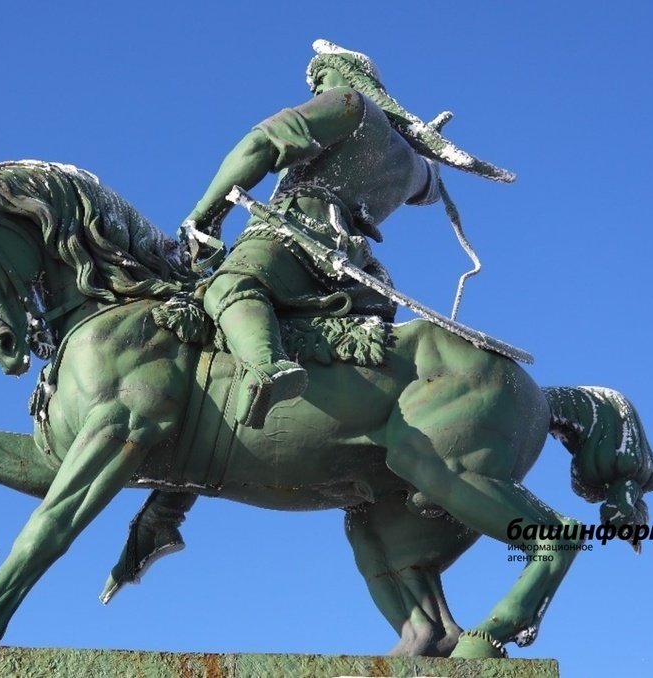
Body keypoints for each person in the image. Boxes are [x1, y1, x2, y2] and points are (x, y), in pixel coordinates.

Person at [102, 40, 515, 602]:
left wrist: (204, 215)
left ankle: (267, 368)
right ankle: (165, 511)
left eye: (320, 77)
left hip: (296, 243)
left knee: (226, 291)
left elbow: (262, 143)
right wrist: (421, 144)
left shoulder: (348, 106)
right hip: (360, 280)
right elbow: (428, 189)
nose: (316, 88)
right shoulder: (411, 162)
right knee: (209, 364)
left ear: (345, 77)